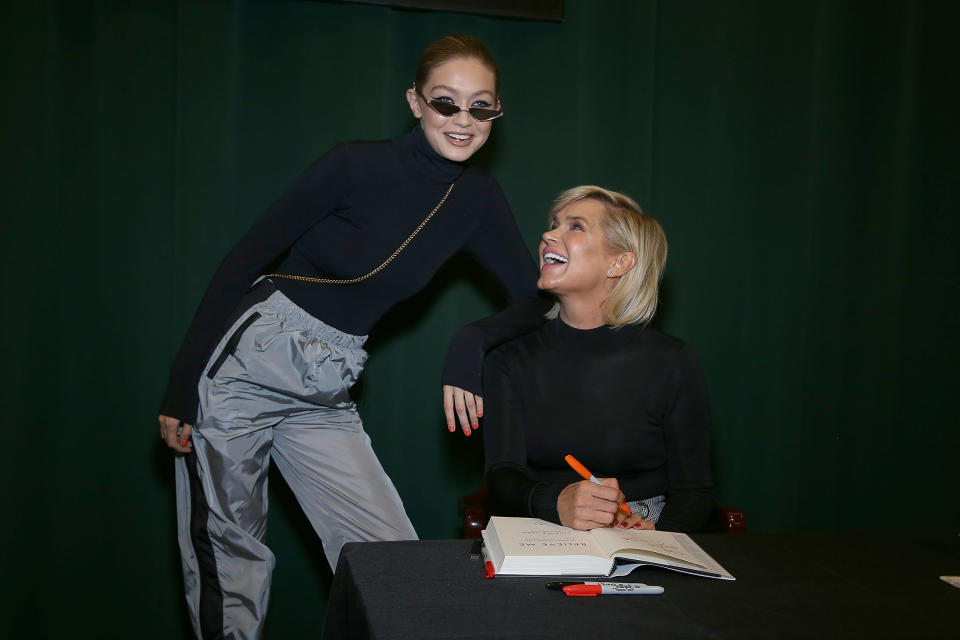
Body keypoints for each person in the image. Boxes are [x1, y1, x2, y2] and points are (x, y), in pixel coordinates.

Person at [158, 35, 546, 639]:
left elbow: (532, 298)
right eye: (447, 103)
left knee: (390, 555)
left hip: (328, 383)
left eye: (481, 107)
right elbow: (243, 261)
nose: (463, 120)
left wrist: (471, 340)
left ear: (497, 113)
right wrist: (182, 389)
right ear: (415, 102)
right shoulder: (354, 164)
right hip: (248, 360)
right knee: (231, 563)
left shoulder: (477, 198)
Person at [482, 186, 714, 534]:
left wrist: (660, 536)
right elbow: (502, 475)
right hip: (541, 523)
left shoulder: (672, 361)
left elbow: (695, 491)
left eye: (574, 226)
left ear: (619, 262)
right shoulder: (509, 357)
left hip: (644, 529)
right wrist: (555, 502)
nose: (548, 235)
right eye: (554, 224)